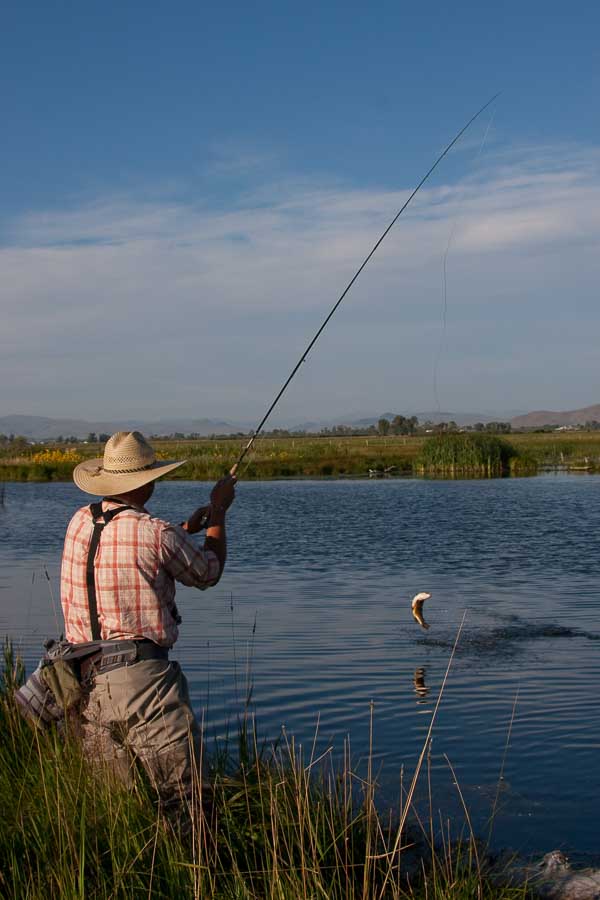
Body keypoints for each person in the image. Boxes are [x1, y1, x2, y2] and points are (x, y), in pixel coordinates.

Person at [60, 430, 235, 821]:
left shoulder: (79, 522)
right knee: (185, 802)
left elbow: (122, 540)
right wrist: (218, 514)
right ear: (147, 481)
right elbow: (208, 573)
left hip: (84, 684)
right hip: (143, 684)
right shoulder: (156, 533)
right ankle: (198, 871)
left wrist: (185, 529)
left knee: (119, 810)